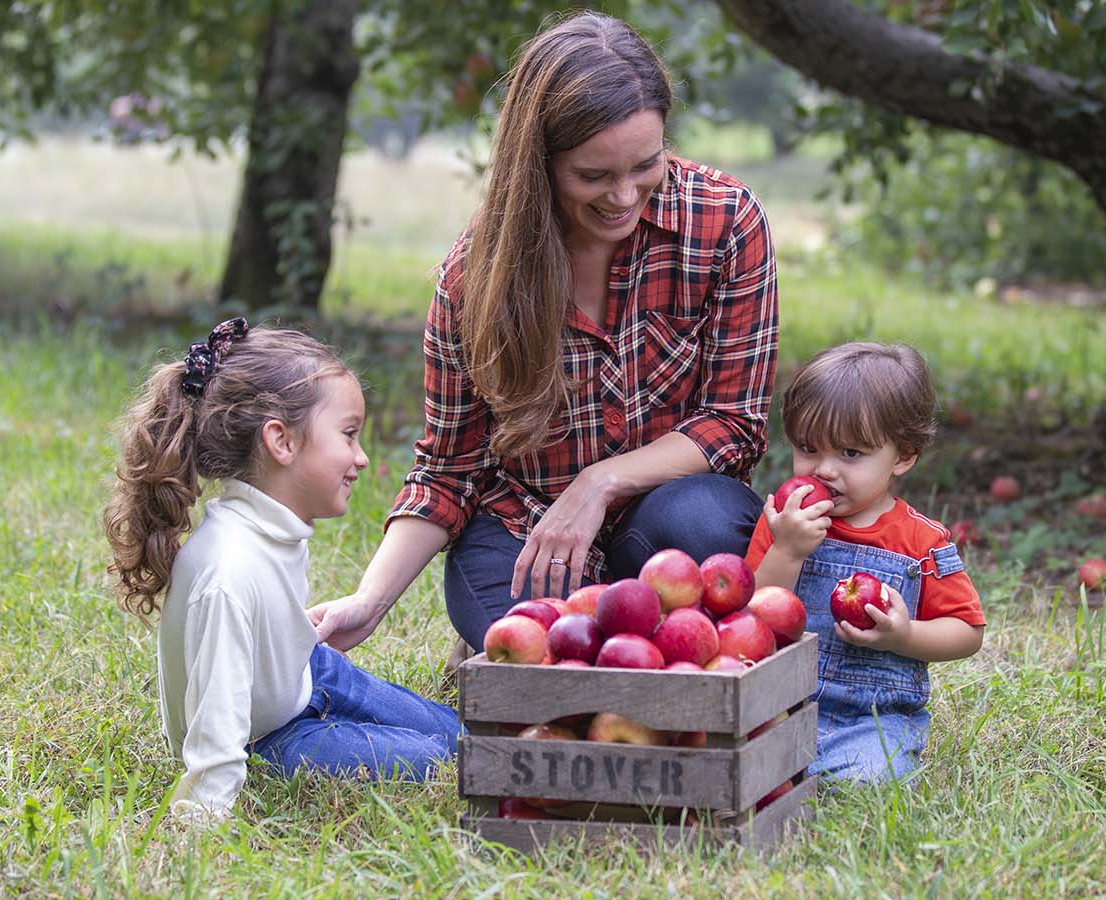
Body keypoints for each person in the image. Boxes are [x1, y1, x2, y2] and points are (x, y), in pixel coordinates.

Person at [315, 12, 779, 654]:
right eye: (593, 176)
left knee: (704, 522)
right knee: (543, 643)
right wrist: (368, 602)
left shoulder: (724, 222)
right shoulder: (475, 281)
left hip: (665, 518)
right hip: (528, 525)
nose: (624, 196)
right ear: (539, 163)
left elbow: (734, 422)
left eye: (645, 164)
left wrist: (601, 482)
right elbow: (449, 470)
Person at [103, 319, 462, 820]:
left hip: (304, 675)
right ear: (282, 442)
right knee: (445, 761)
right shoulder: (229, 571)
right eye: (349, 434)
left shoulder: (272, 526)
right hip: (268, 736)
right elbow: (217, 727)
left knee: (459, 733)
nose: (360, 458)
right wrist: (201, 824)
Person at [745, 342, 985, 782]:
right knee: (737, 767)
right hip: (781, 706)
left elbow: (967, 632)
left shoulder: (921, 541)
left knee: (868, 776)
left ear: (904, 456)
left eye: (851, 454)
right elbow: (753, 614)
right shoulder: (785, 521)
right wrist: (787, 550)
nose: (825, 470)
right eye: (808, 448)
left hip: (872, 720)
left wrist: (905, 635)